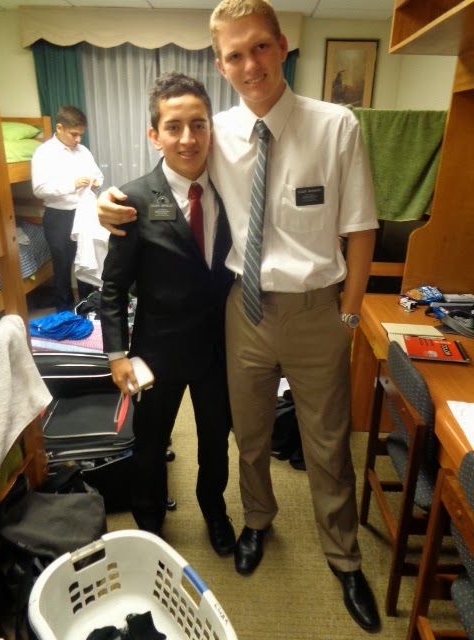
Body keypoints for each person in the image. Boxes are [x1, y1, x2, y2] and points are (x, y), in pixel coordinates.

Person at [97, 1, 381, 632]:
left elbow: (362, 227)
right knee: (248, 434)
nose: (250, 64)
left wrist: (349, 318)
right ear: (221, 64)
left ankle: (344, 558)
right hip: (243, 312)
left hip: (316, 310)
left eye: (260, 47)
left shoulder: (336, 125)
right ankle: (256, 522)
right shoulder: (216, 131)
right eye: (234, 54)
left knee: (328, 442)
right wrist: (105, 204)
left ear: (282, 46)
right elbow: (165, 176)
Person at [99, 72, 236, 556]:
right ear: (154, 135)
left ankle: (214, 510)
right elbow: (113, 287)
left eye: (198, 125)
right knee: (151, 443)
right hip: (156, 348)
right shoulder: (131, 200)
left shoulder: (233, 190)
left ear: (210, 129)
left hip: (219, 346)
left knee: (216, 440)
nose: (187, 138)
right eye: (174, 127)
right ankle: (150, 520)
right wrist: (116, 355)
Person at [32, 106, 104, 313]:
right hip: (59, 217)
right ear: (59, 128)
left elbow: (99, 175)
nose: (78, 139)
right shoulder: (44, 153)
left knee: (86, 262)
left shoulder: (83, 152)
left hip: (85, 214)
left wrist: (96, 182)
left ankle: (87, 308)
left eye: (81, 134)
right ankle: (64, 313)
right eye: (74, 134)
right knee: (62, 267)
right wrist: (72, 184)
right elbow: (38, 189)